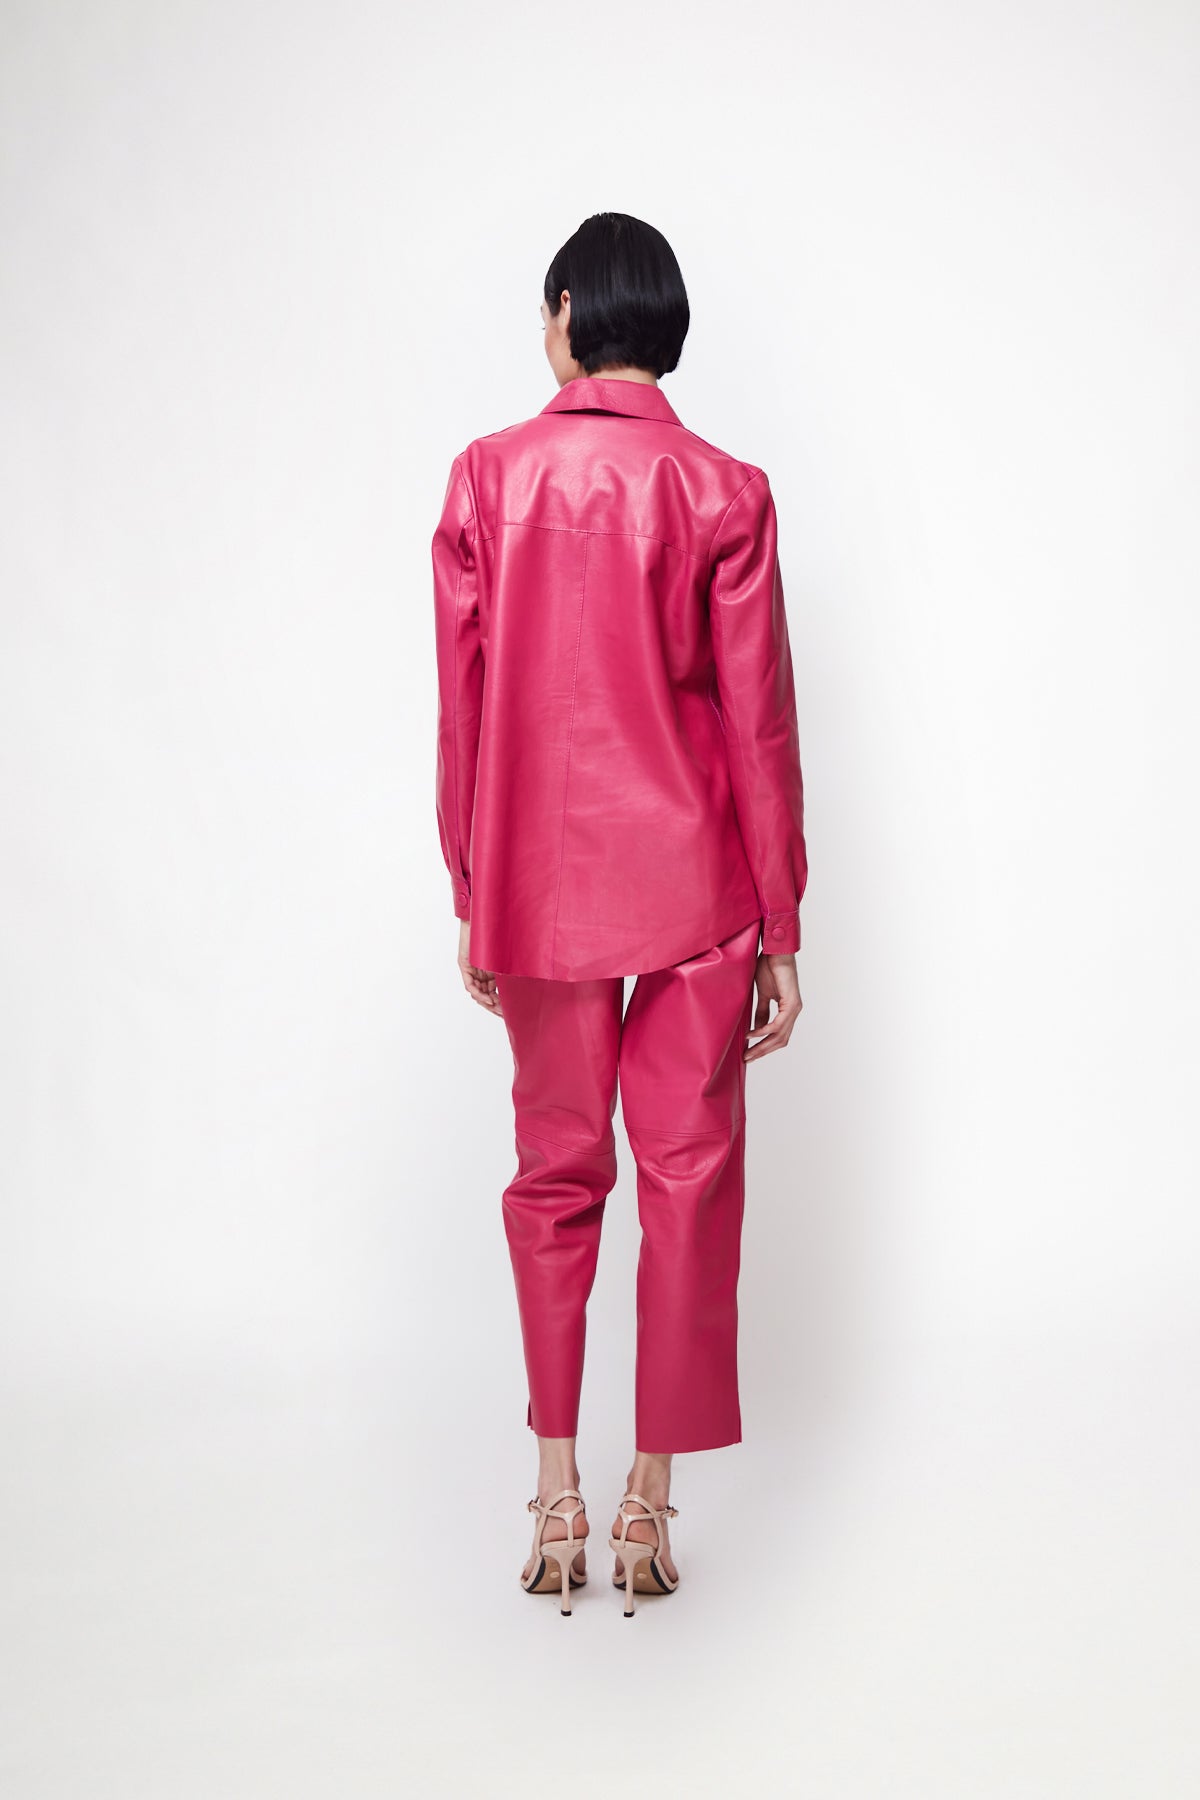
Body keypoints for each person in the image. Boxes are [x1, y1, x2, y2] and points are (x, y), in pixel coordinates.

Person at [431, 211, 807, 1617]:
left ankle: (555, 1494)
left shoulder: (488, 476)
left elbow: (465, 704)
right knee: (688, 1177)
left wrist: (475, 889)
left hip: (537, 884)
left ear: (567, 314)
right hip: (698, 880)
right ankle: (649, 1500)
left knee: (554, 1174)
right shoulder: (727, 491)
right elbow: (758, 721)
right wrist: (781, 919)